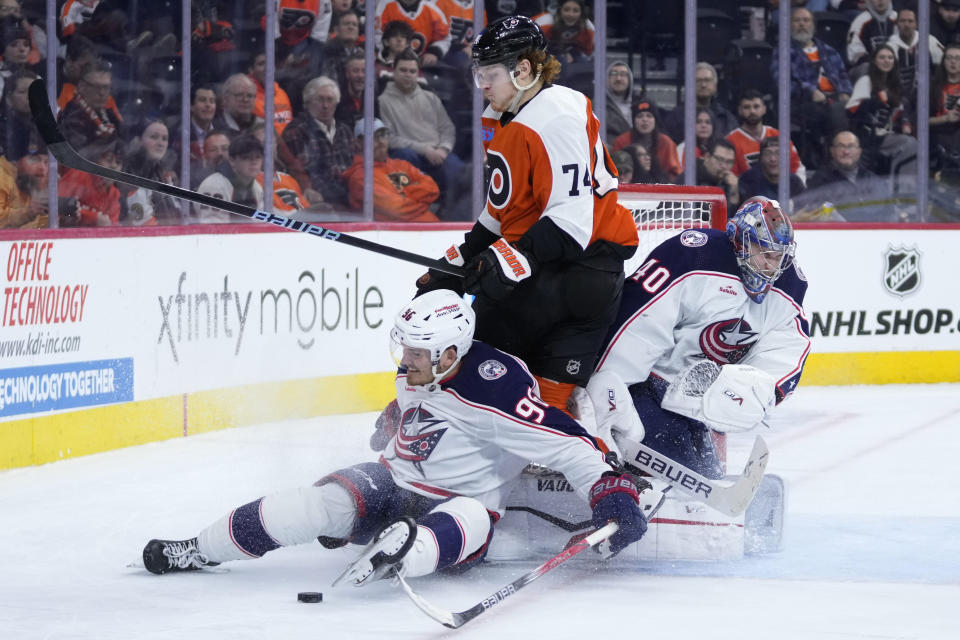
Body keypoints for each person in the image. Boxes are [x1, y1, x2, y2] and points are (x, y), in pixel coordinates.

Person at [141, 290, 659, 580]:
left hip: (457, 509)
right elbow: (418, 407)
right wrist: (397, 418)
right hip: (392, 482)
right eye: (405, 347)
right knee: (312, 505)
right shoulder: (419, 371)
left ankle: (403, 557)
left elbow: (568, 442)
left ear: (451, 353)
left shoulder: (495, 393)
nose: (404, 359)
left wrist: (611, 491)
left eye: (416, 351)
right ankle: (199, 548)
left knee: (467, 517)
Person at [415, 15, 640, 414]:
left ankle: (584, 460)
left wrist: (505, 260)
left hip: (580, 271)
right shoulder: (502, 116)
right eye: (478, 73)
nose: (482, 83)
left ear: (523, 69)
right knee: (519, 393)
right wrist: (464, 257)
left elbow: (572, 222)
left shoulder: (554, 115)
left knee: (484, 371)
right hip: (551, 267)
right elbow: (504, 210)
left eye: (491, 73)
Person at [588, 196, 809, 478]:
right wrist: (610, 384)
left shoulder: (788, 284)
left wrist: (763, 390)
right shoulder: (694, 255)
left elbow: (787, 344)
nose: (772, 266)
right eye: (765, 253)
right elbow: (639, 323)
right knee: (679, 473)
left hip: (693, 404)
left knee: (704, 475)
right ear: (740, 242)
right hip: (643, 387)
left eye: (780, 256)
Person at [378, 48, 465, 218]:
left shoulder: (430, 97)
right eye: (403, 70)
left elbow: (447, 128)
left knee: (458, 168)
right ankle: (414, 211)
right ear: (393, 71)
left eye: (412, 71)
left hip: (438, 153)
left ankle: (452, 215)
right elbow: (389, 138)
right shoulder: (383, 100)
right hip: (410, 154)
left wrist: (443, 149)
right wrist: (425, 149)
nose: (408, 74)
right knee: (403, 156)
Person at [774, 7, 852, 170]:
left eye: (806, 20)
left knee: (852, 109)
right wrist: (810, 91)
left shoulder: (829, 51)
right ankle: (836, 159)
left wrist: (845, 92)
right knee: (837, 112)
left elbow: (843, 74)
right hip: (803, 102)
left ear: (813, 26)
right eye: (797, 20)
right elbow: (781, 81)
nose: (802, 24)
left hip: (834, 99)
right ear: (790, 25)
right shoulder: (783, 51)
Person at [342, 117, 440, 221]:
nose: (381, 142)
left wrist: (404, 194)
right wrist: (424, 204)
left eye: (383, 135)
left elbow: (433, 189)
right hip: (394, 234)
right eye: (374, 137)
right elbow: (398, 209)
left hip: (432, 230)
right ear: (358, 143)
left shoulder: (402, 165)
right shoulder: (360, 178)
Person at [281, 75, 354, 207]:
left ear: (336, 103)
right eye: (319, 100)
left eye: (330, 100)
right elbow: (303, 173)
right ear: (307, 102)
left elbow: (355, 166)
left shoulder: (345, 130)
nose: (325, 105)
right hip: (320, 200)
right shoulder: (296, 131)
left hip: (350, 195)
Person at [845, 44, 916, 177]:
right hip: (868, 136)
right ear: (874, 61)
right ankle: (902, 190)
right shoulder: (866, 81)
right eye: (882, 57)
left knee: (912, 143)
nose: (886, 61)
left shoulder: (896, 85)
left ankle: (906, 191)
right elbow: (851, 111)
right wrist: (877, 100)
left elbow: (903, 109)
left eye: (890, 58)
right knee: (909, 144)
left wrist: (906, 124)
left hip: (890, 133)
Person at [726, 89, 806, 183]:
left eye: (756, 106)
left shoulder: (779, 135)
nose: (752, 111)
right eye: (747, 107)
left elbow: (797, 168)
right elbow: (731, 176)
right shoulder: (730, 140)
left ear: (764, 109)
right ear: (740, 110)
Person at [193, 133, 264, 223]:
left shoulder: (257, 188)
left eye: (258, 157)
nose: (254, 162)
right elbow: (213, 230)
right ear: (232, 161)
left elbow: (260, 226)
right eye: (246, 157)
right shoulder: (214, 186)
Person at [57, 58, 123, 155]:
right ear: (82, 86)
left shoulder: (108, 113)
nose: (102, 93)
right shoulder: (72, 115)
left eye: (106, 87)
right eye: (96, 87)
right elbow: (80, 157)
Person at [663, 62, 738, 144]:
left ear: (715, 86)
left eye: (707, 80)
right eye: (698, 81)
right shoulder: (676, 117)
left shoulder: (727, 119)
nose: (703, 85)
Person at [58, 135, 124, 226]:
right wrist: (92, 218)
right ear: (96, 160)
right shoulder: (78, 176)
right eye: (108, 160)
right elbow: (55, 205)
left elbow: (112, 227)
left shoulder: (115, 194)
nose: (114, 166)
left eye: (118, 162)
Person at [123, 120, 180, 225]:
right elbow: (142, 221)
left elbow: (176, 214)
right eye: (154, 137)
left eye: (164, 139)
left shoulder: (162, 173)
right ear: (139, 140)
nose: (160, 143)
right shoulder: (131, 174)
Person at [611, 99, 682, 182]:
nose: (644, 120)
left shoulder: (667, 143)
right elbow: (614, 171)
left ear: (655, 120)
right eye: (640, 116)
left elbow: (674, 174)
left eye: (649, 116)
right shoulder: (621, 142)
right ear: (634, 121)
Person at [886, 7, 944, 94]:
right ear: (897, 24)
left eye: (910, 21)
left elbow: (943, 65)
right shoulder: (890, 46)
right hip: (898, 95)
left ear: (916, 24)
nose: (906, 25)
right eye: (902, 21)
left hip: (928, 94)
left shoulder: (929, 41)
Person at [379, 0, 452, 67]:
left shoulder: (432, 10)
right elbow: (376, 35)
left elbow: (444, 38)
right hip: (389, 60)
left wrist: (434, 52)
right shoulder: (386, 7)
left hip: (422, 62)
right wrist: (385, 55)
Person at [738, 136, 806, 202]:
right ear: (761, 158)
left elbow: (803, 208)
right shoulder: (748, 180)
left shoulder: (794, 182)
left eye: (778, 153)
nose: (773, 159)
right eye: (767, 153)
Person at [930, 43, 960, 175]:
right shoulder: (932, 86)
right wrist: (945, 118)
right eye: (949, 58)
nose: (953, 62)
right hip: (938, 134)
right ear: (943, 61)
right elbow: (921, 121)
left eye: (957, 58)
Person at [249, 51, 293, 135]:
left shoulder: (282, 93)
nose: (267, 68)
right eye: (261, 64)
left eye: (270, 63)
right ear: (251, 69)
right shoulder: (247, 96)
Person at [846, 0, 897, 73]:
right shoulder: (860, 21)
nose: (880, 1)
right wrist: (877, 62)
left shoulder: (897, 19)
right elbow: (854, 54)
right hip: (869, 66)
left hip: (893, 63)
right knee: (865, 67)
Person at [212, 74, 263, 139]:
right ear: (225, 99)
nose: (245, 99)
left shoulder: (264, 126)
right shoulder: (214, 127)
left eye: (250, 96)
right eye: (239, 95)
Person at [696, 138, 740, 211]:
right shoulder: (691, 177)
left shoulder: (730, 182)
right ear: (707, 157)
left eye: (729, 162)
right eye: (719, 159)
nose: (724, 166)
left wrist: (734, 193)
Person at [605, 61, 636, 141]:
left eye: (623, 74)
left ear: (630, 79)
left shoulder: (640, 103)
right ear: (607, 79)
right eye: (614, 73)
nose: (618, 78)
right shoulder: (598, 105)